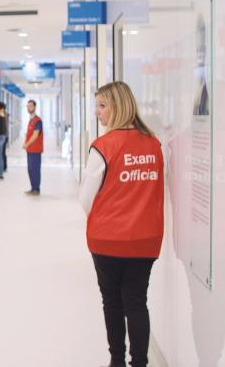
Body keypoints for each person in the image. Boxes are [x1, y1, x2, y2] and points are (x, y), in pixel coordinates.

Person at [78, 81, 164, 367]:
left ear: (118, 107)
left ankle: (116, 360)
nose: (97, 112)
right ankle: (139, 362)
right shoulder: (154, 143)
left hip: (107, 239)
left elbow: (86, 198)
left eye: (102, 106)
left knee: (112, 302)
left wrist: (106, 215)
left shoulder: (103, 146)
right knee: (137, 302)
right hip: (146, 238)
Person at [23, 99, 44, 195]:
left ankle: (36, 189)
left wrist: (26, 144)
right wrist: (25, 143)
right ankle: (33, 188)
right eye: (27, 106)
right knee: (30, 169)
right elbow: (29, 134)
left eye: (30, 106)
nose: (29, 108)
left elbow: (35, 135)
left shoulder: (37, 121)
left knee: (35, 169)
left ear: (34, 107)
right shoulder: (31, 120)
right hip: (30, 150)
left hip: (36, 150)